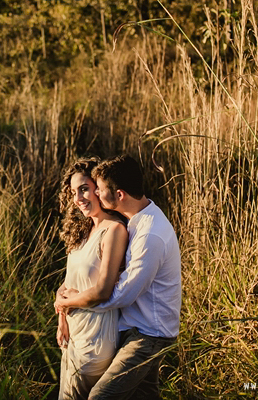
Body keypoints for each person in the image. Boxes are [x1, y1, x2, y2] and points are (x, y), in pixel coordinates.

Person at [55, 154, 181, 399]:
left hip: (148, 334)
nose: (97, 195)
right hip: (133, 327)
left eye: (99, 190)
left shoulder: (149, 234)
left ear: (119, 194)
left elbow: (120, 293)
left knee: (101, 397)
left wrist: (72, 302)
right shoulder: (136, 221)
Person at [56, 157, 129, 400]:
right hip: (72, 336)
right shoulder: (85, 230)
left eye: (84, 189)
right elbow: (69, 282)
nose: (78, 198)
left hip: (95, 339)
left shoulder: (114, 231)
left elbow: (102, 291)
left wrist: (64, 304)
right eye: (74, 192)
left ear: (99, 188)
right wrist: (61, 319)